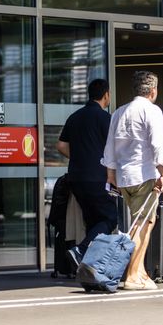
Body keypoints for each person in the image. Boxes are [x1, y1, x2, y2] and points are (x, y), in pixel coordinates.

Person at [102, 70, 163, 290]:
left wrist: (111, 174)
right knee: (143, 225)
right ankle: (132, 275)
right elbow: (158, 143)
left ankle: (141, 272)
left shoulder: (119, 112)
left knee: (138, 221)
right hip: (144, 174)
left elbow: (109, 145)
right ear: (153, 90)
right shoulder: (152, 111)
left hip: (123, 177)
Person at [56, 77, 117, 265]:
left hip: (75, 178)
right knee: (110, 218)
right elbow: (114, 148)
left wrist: (78, 158)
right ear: (106, 95)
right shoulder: (105, 118)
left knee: (93, 222)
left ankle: (89, 266)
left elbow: (60, 145)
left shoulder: (74, 117)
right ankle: (80, 251)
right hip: (97, 177)